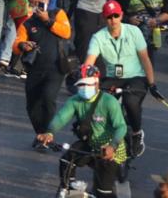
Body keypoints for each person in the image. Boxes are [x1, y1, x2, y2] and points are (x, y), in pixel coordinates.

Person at [83, 0, 159, 158]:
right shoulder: (98, 37)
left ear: (121, 15)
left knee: (131, 102)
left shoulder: (134, 32)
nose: (113, 20)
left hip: (135, 77)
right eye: (109, 17)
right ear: (104, 19)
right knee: (99, 106)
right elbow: (89, 63)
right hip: (112, 78)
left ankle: (137, 133)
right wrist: (86, 81)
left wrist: (152, 84)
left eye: (116, 16)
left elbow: (145, 59)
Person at [37, 65, 126, 198]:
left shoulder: (109, 102)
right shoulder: (74, 101)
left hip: (109, 150)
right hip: (89, 144)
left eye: (87, 84)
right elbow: (61, 117)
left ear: (96, 83)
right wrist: (49, 132)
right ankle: (70, 191)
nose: (84, 88)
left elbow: (121, 127)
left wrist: (112, 146)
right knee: (67, 160)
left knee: (103, 193)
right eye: (81, 84)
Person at [14, 0, 72, 148]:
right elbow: (17, 42)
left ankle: (48, 134)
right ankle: (41, 134)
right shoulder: (27, 23)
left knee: (48, 97)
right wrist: (23, 45)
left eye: (40, 1)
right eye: (34, 2)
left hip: (55, 68)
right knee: (32, 105)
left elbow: (66, 32)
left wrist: (48, 20)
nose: (38, 4)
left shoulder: (58, 14)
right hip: (34, 69)